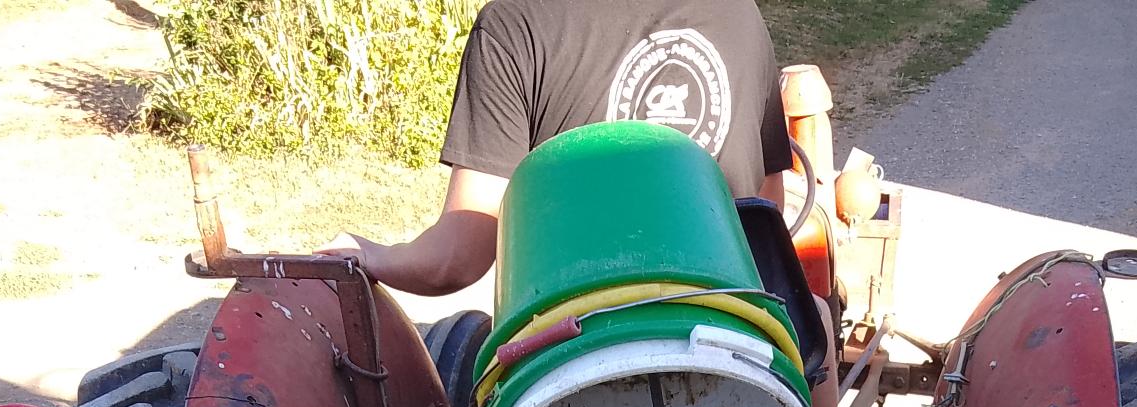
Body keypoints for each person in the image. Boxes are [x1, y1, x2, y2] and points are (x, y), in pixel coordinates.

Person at [322, 0, 795, 296]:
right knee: (813, 313)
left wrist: (372, 254)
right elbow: (766, 204)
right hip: (727, 336)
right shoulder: (740, 14)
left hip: (569, 350)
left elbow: (458, 259)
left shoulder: (513, 25)